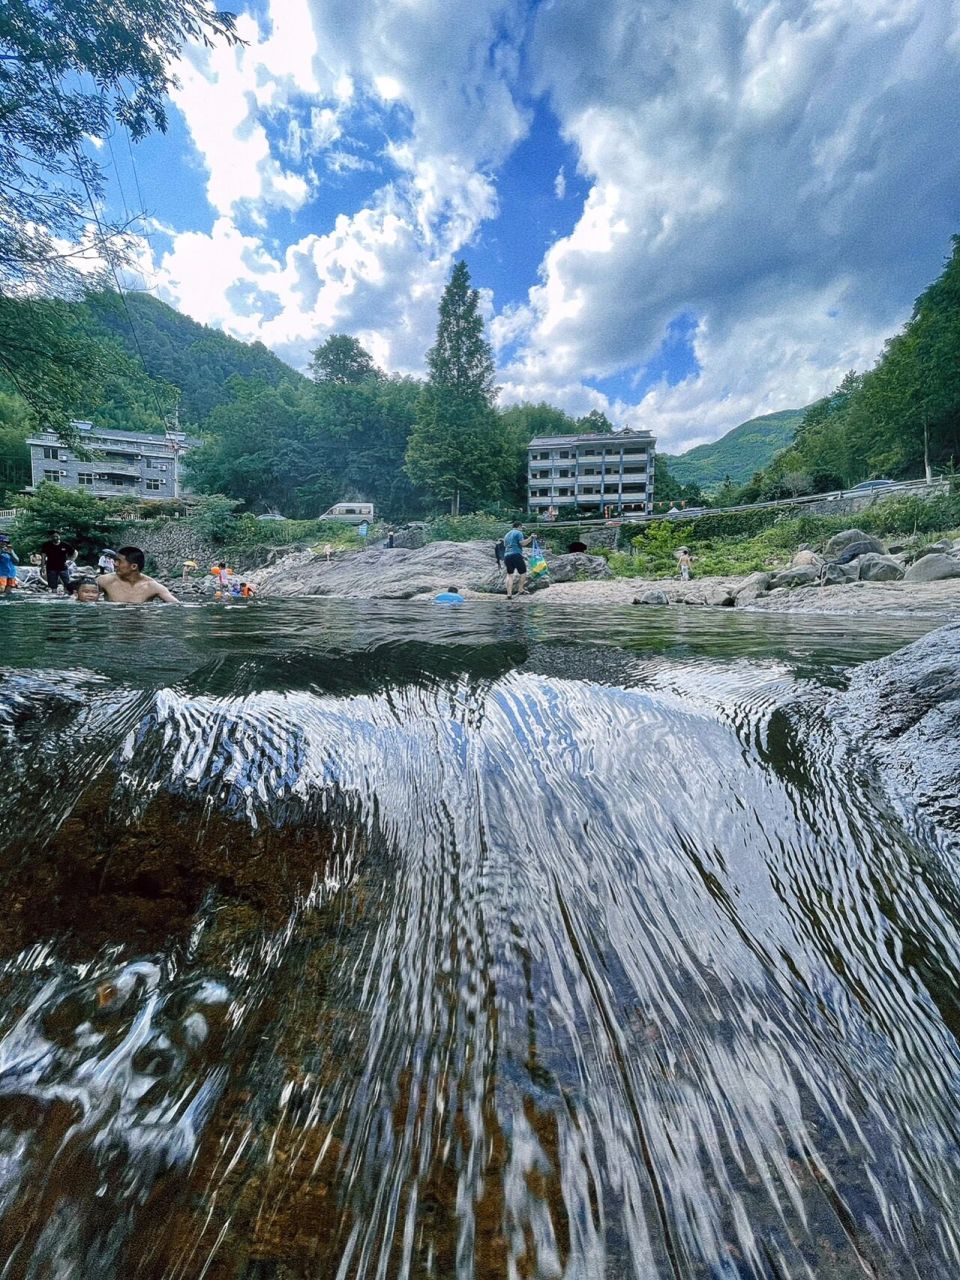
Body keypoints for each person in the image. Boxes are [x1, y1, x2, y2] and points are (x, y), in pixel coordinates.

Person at [97, 546, 178, 603]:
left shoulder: (152, 587)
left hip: (140, 624)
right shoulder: (105, 581)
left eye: (119, 561)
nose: (115, 564)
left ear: (134, 566)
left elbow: (177, 605)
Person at [502, 521, 533, 599]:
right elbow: (522, 543)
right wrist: (531, 538)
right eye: (521, 527)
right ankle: (521, 589)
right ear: (519, 526)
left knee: (510, 574)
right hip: (516, 554)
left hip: (506, 556)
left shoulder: (507, 534)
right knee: (523, 572)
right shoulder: (519, 533)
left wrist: (522, 529)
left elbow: (505, 545)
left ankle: (509, 594)